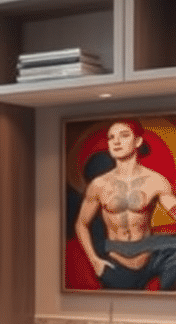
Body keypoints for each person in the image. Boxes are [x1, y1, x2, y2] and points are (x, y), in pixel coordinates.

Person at [74, 118, 176, 289]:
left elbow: (173, 208)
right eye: (111, 137)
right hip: (116, 263)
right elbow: (81, 224)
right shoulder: (99, 185)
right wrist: (94, 261)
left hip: (148, 258)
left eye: (124, 135)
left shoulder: (156, 181)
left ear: (137, 141)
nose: (116, 142)